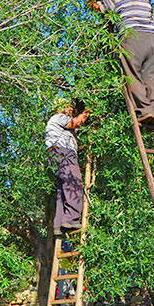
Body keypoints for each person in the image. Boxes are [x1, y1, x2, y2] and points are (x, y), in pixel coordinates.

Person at [86, 0, 154, 123]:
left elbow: (97, 7)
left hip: (132, 36)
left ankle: (145, 111)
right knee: (153, 77)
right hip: (152, 38)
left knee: (132, 73)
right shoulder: (145, 1)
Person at [45, 97, 90, 235]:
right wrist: (87, 112)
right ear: (59, 109)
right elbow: (76, 122)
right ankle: (71, 220)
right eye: (67, 107)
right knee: (74, 184)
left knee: (62, 191)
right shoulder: (59, 117)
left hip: (55, 155)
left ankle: (58, 225)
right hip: (63, 153)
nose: (70, 109)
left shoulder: (60, 124)